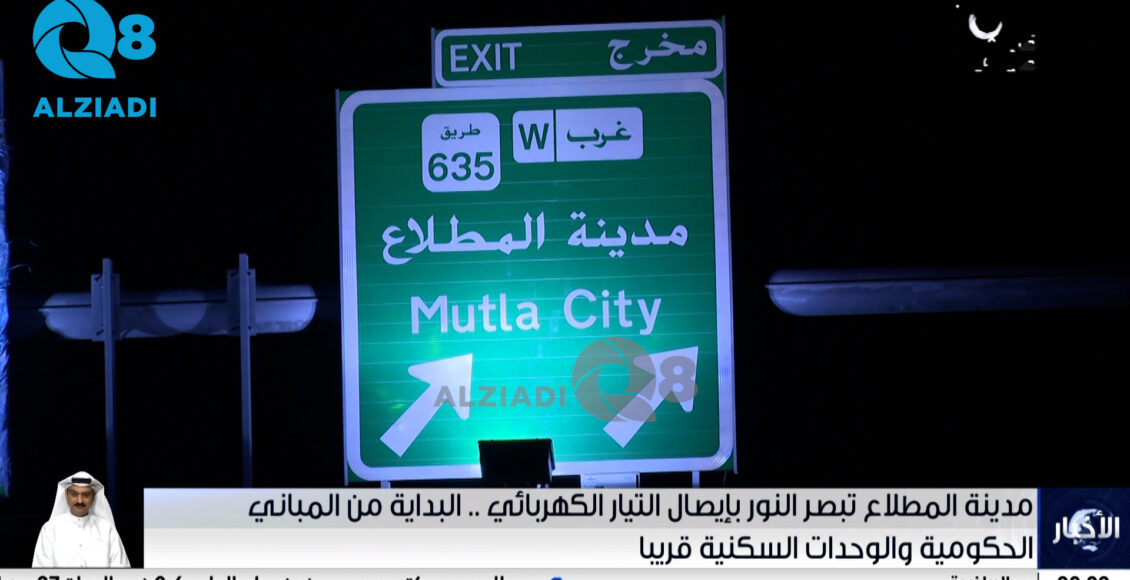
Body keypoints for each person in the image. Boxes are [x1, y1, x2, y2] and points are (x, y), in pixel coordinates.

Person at [32, 470, 131, 567]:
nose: (80, 501)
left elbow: (121, 570)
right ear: (66, 494)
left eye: (86, 495)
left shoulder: (107, 529)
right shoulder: (49, 529)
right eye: (74, 494)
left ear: (94, 496)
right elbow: (41, 570)